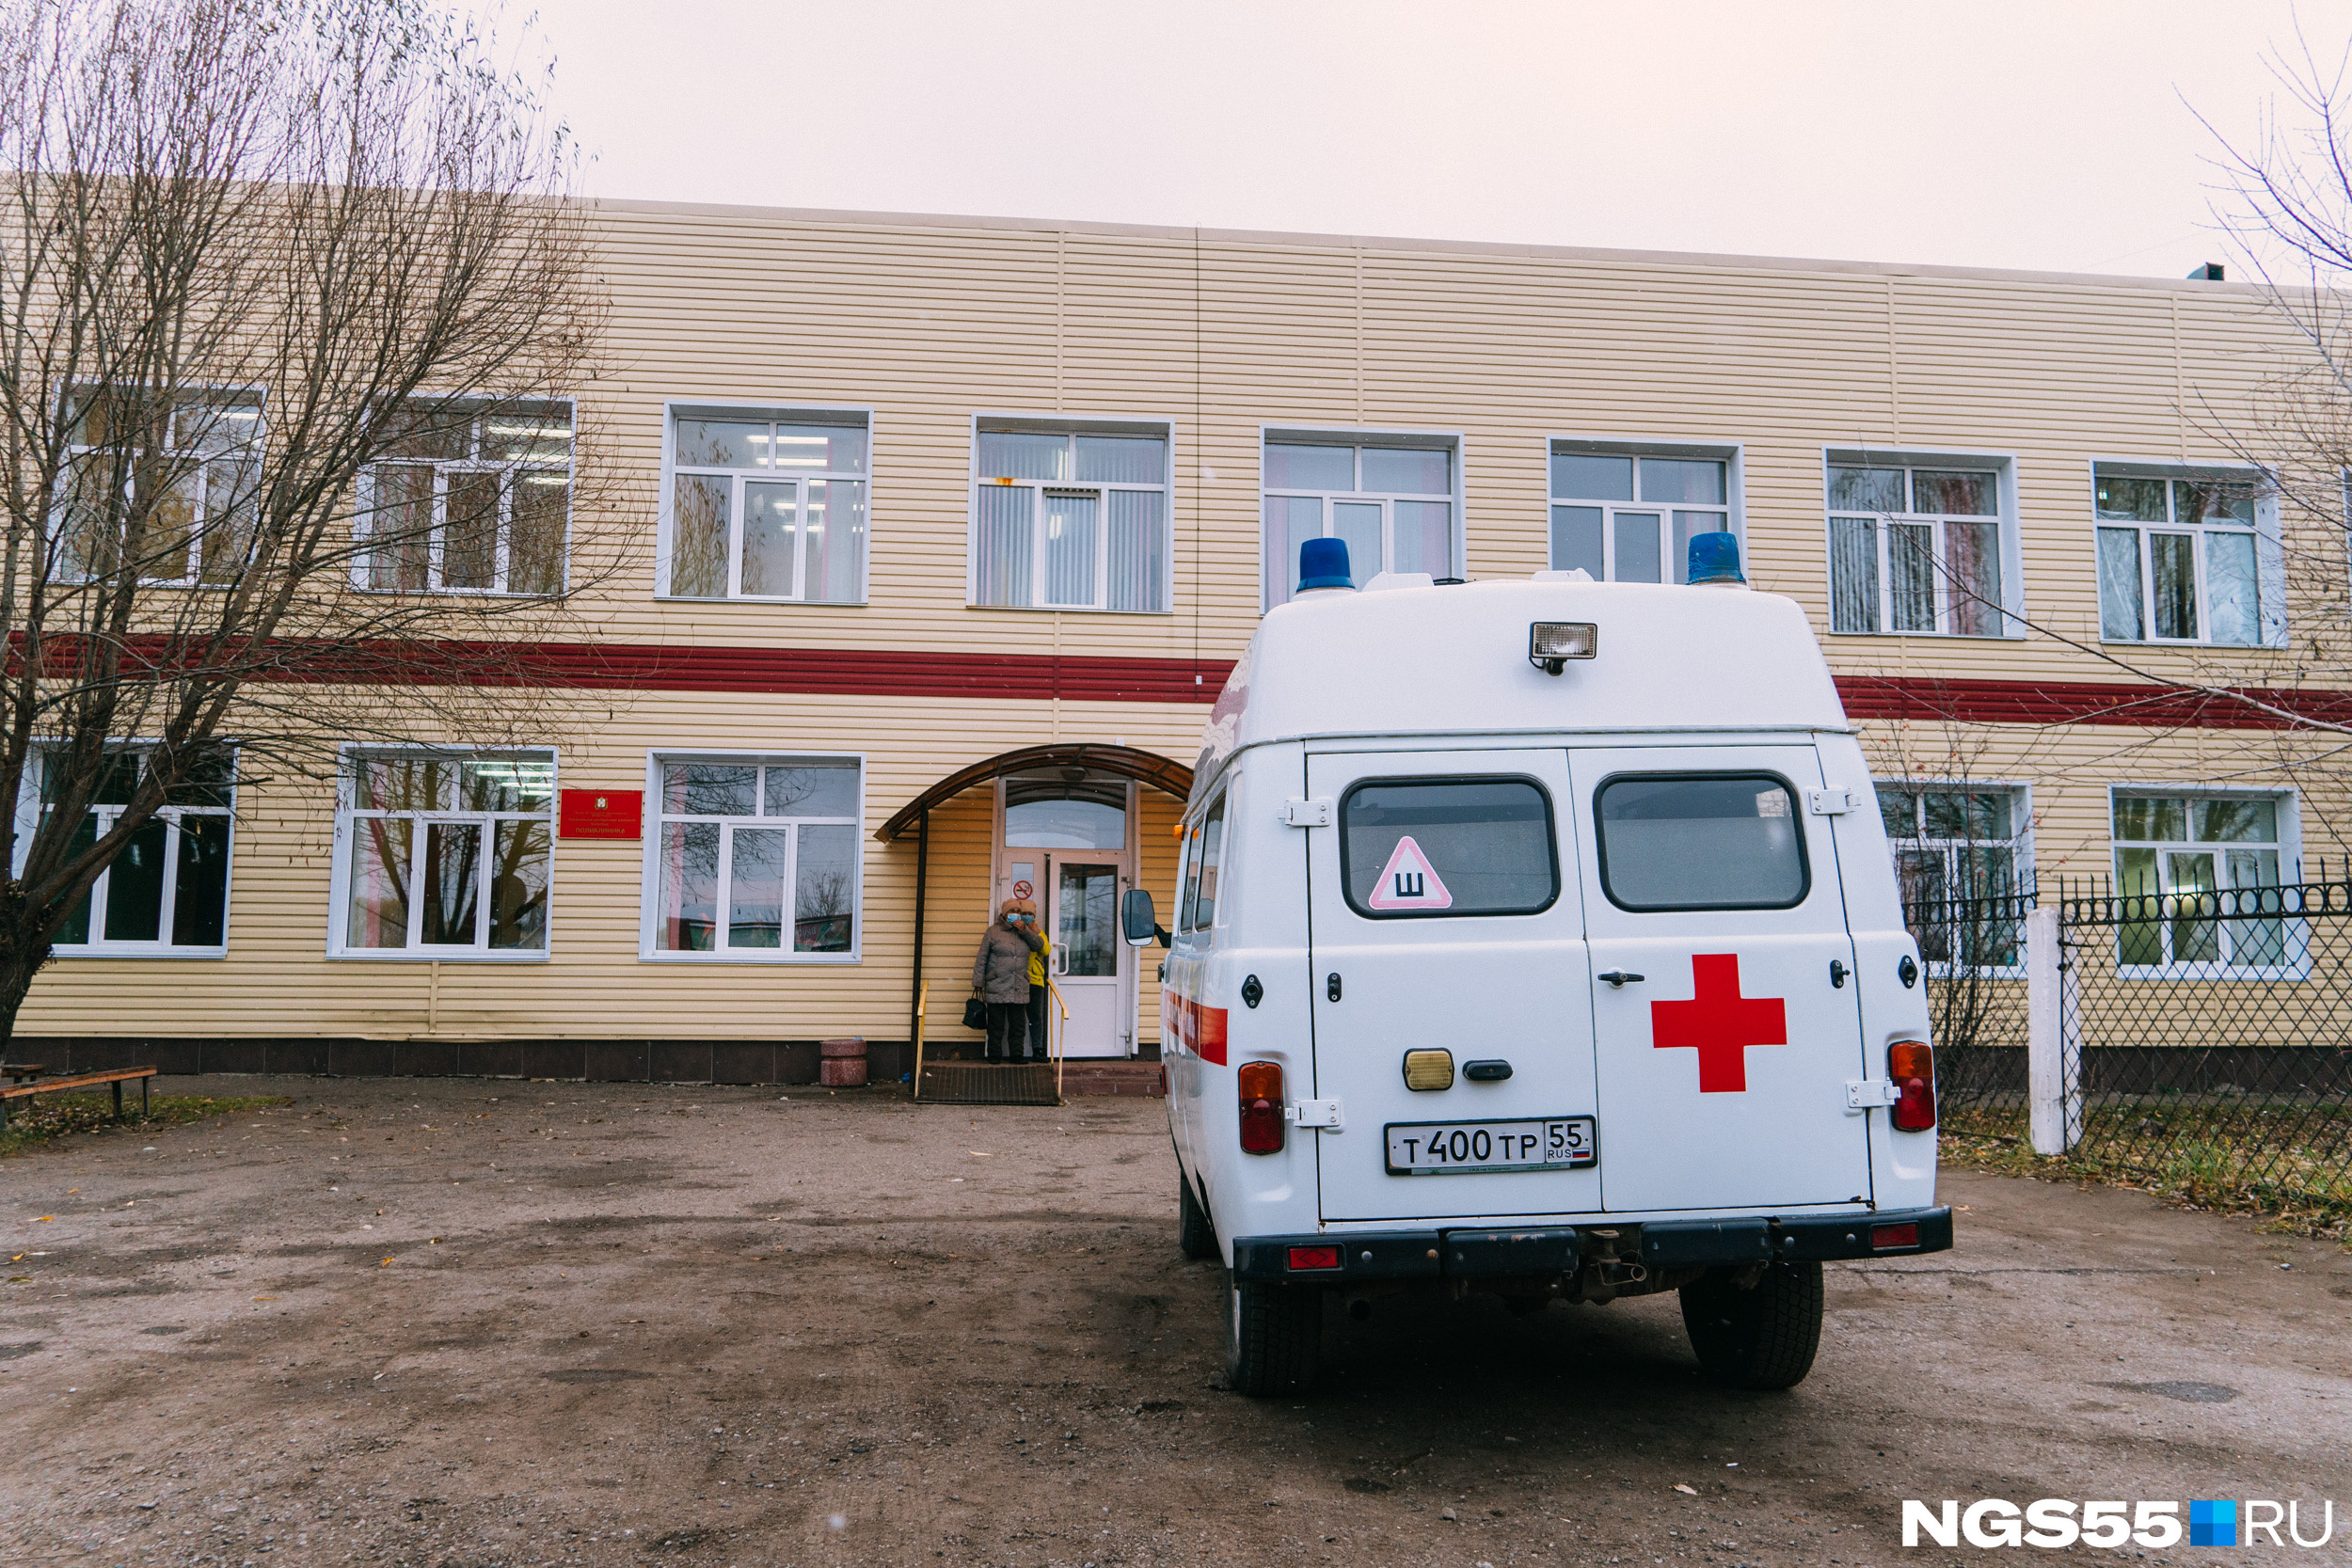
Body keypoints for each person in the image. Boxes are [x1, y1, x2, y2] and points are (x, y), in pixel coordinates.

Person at [971, 898, 1043, 1063]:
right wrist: (978, 981)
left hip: (1019, 985)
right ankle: (994, 1055)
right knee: (996, 1025)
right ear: (1004, 914)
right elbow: (982, 958)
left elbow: (1038, 945)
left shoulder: (1024, 931)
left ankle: (1017, 1055)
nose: (1015, 915)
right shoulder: (993, 932)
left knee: (1018, 1025)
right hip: (997, 983)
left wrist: (1025, 930)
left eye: (1017, 911)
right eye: (1011, 912)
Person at [1025, 916, 1053, 1062]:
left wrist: (1038, 932)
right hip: (1017, 979)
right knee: (1015, 1018)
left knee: (1036, 1018)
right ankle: (1015, 1052)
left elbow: (1045, 950)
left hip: (1035, 980)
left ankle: (1037, 1050)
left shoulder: (1037, 932)